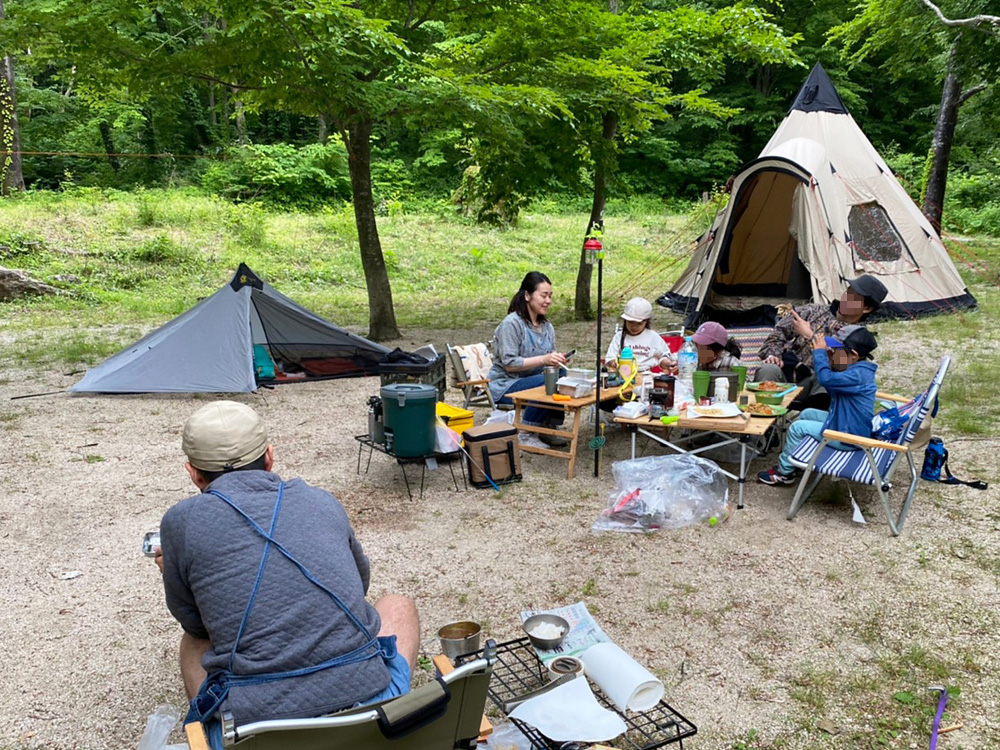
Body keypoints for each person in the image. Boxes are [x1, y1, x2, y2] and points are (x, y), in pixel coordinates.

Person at [155, 401, 419, 747]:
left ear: (194, 473)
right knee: (398, 605)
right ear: (269, 456)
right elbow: (360, 585)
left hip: (256, 731)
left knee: (193, 642)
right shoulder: (322, 501)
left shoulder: (180, 523)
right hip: (368, 709)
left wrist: (179, 570)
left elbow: (194, 622)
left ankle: (212, 734)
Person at [758, 324, 878, 485]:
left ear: (854, 355)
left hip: (848, 437)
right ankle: (797, 458)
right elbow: (831, 385)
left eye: (835, 351)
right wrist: (830, 360)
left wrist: (819, 353)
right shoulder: (857, 370)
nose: (831, 353)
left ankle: (784, 473)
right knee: (808, 413)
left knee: (797, 428)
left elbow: (826, 380)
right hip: (843, 423)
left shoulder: (857, 375)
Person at [755, 275, 887, 408]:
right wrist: (773, 356)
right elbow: (775, 336)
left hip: (818, 387)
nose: (846, 298)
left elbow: (841, 366)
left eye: (854, 298)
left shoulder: (859, 336)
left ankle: (806, 422)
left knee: (824, 378)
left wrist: (810, 336)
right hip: (787, 374)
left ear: (866, 308)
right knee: (768, 369)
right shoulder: (813, 311)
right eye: (848, 292)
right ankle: (762, 421)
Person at [488, 271, 570, 447]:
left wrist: (556, 360)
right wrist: (544, 359)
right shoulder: (511, 324)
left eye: (550, 296)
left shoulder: (547, 327)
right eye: (543, 295)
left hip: (532, 379)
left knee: (560, 373)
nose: (548, 300)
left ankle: (549, 426)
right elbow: (510, 365)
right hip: (507, 385)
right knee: (547, 380)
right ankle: (526, 432)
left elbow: (548, 360)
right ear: (527, 295)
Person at [604, 298, 675, 373]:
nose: (634, 327)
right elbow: (610, 358)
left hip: (647, 375)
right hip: (624, 374)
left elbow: (663, 357)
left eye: (639, 323)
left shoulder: (653, 337)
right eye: (630, 322)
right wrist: (614, 363)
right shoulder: (619, 337)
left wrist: (669, 364)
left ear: (646, 321)